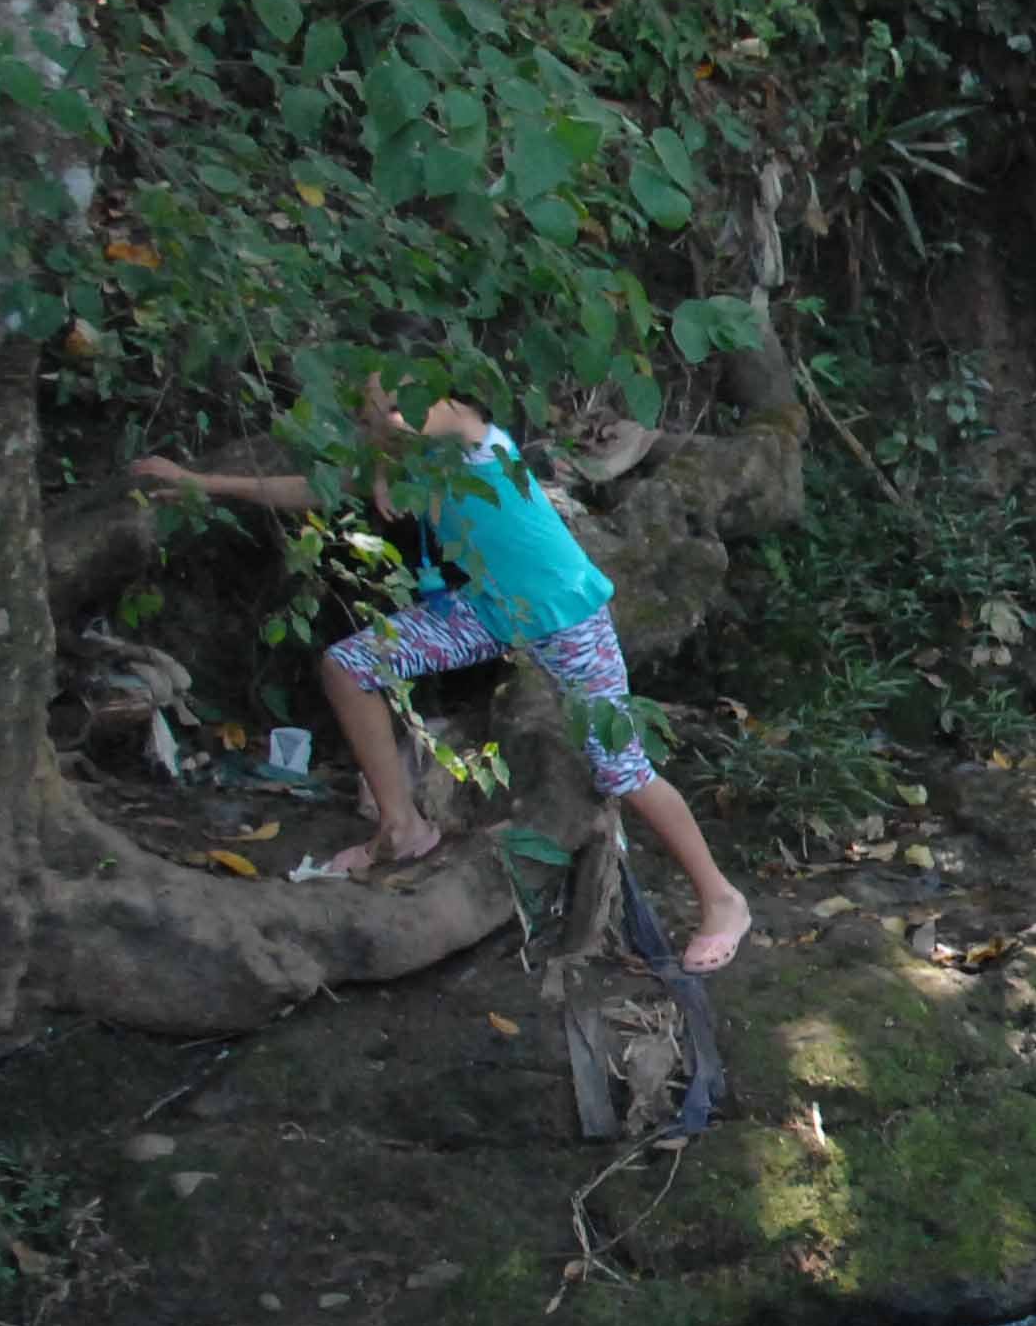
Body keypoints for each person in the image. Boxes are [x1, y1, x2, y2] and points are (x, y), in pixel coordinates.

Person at [133, 383, 756, 973]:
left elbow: (408, 437)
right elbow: (312, 488)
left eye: (383, 397)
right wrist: (202, 482)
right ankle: (403, 828)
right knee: (350, 667)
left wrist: (380, 452)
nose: (373, 410)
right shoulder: (402, 450)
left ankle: (721, 897)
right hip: (487, 609)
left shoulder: (463, 423)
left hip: (561, 612)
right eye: (367, 402)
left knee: (621, 770)